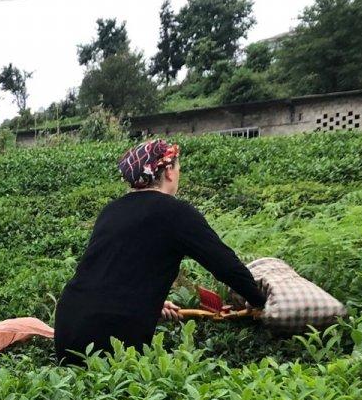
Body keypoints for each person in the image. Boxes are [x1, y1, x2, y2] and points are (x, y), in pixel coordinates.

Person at [54, 139, 267, 365]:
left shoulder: (111, 210)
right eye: (177, 168)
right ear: (168, 172)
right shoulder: (175, 212)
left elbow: (111, 272)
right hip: (110, 336)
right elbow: (225, 266)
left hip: (68, 329)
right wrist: (259, 301)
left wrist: (151, 303)